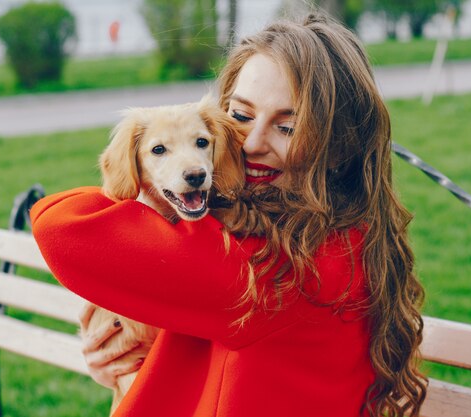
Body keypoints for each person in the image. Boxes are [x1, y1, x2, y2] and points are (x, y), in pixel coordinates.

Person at [30, 14, 427, 417]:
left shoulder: (271, 267)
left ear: (338, 146)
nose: (251, 144)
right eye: (239, 117)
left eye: (287, 128)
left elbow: (59, 226)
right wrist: (127, 365)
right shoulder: (346, 233)